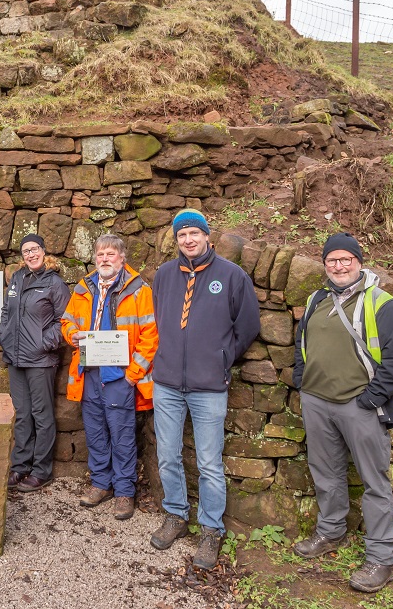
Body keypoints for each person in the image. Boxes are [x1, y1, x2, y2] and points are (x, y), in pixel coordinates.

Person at [293, 232, 393, 593]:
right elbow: (302, 344)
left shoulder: (382, 303)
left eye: (346, 259)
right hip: (317, 402)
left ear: (359, 262)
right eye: (332, 260)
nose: (339, 266)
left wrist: (370, 399)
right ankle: (330, 534)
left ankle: (381, 558)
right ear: (324, 265)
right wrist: (302, 381)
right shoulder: (316, 299)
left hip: (359, 406)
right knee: (325, 473)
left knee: (374, 483)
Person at [149, 209, 260, 570]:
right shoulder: (164, 275)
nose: (189, 240)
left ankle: (211, 530)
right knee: (167, 455)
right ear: (176, 240)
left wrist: (222, 357)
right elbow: (160, 318)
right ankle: (176, 515)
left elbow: (247, 325)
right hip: (166, 383)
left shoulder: (231, 275)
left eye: (195, 233)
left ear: (207, 236)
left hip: (209, 385)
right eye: (182, 235)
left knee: (210, 462)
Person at [61, 234, 158, 521]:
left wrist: (132, 376)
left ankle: (125, 490)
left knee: (123, 435)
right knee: (95, 432)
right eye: (101, 254)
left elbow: (151, 336)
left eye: (111, 254)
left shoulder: (140, 290)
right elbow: (66, 321)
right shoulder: (83, 287)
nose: (105, 259)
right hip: (89, 373)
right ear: (95, 258)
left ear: (122, 257)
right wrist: (72, 335)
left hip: (120, 377)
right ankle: (101, 483)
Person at [0, 233, 70, 493]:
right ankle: (20, 465)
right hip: (16, 359)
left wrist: (44, 343)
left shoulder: (54, 283)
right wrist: (3, 336)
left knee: (42, 415)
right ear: (22, 255)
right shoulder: (17, 279)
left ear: (44, 251)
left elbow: (65, 321)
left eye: (35, 249)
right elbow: (7, 311)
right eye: (26, 251)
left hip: (40, 360)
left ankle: (41, 470)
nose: (31, 254)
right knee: (23, 415)